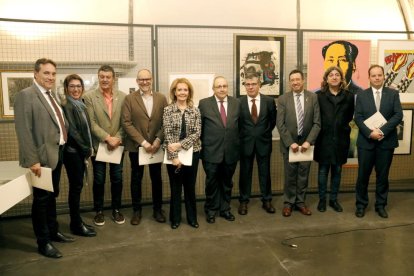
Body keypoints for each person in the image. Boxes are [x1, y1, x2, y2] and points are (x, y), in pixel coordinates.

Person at [14, 58, 74, 258]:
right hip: (40, 158)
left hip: (57, 154)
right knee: (41, 200)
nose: (51, 77)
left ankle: (53, 231)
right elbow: (24, 130)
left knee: (51, 197)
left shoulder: (51, 95)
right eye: (46, 73)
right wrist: (33, 160)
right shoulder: (26, 95)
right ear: (36, 74)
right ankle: (43, 242)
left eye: (53, 74)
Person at [354, 65, 403, 219]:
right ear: (369, 78)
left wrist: (382, 131)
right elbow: (358, 117)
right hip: (366, 143)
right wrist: (370, 133)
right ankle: (361, 205)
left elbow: (398, 115)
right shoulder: (361, 95)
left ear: (383, 76)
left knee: (383, 176)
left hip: (386, 143)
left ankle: (380, 205)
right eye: (373, 75)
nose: (376, 78)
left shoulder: (393, 94)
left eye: (379, 75)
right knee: (363, 176)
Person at [121, 69, 167, 225]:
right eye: (141, 79)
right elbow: (126, 123)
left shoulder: (161, 98)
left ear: (152, 79)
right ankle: (137, 211)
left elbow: (165, 122)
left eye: (147, 79)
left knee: (156, 179)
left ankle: (157, 210)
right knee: (136, 179)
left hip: (156, 146)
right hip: (137, 147)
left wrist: (158, 140)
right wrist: (144, 142)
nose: (144, 82)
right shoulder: (129, 99)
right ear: (137, 81)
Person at [83, 65, 126, 226]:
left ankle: (116, 210)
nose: (105, 79)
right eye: (102, 76)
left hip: (118, 145)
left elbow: (126, 122)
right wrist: (108, 138)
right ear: (98, 77)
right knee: (99, 180)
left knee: (117, 178)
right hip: (99, 145)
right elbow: (91, 123)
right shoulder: (89, 97)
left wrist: (118, 138)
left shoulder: (123, 97)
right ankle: (99, 211)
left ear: (113, 79)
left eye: (108, 77)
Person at [276, 69, 321, 217]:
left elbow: (317, 123)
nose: (295, 82)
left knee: (303, 174)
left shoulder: (313, 97)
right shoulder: (283, 99)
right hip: (290, 145)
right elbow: (280, 124)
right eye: (292, 80)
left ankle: (300, 202)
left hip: (306, 145)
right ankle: (288, 203)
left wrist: (309, 141)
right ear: (290, 82)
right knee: (289, 175)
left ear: (303, 80)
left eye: (297, 79)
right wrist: (290, 143)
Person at [199, 76, 240, 224]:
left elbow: (240, 127)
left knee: (227, 182)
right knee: (212, 183)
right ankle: (211, 210)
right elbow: (200, 129)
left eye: (224, 86)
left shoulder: (236, 103)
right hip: (211, 152)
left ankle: (225, 209)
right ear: (213, 89)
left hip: (231, 152)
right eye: (218, 86)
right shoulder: (204, 104)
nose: (222, 89)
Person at [314, 67, 355, 213]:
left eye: (337, 75)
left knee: (337, 171)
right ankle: (322, 200)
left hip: (341, 139)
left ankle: (333, 200)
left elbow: (350, 116)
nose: (334, 77)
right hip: (323, 139)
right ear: (326, 78)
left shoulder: (349, 96)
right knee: (323, 171)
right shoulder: (319, 96)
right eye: (331, 75)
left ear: (341, 78)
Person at [163, 78, 201, 229]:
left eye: (185, 90)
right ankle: (175, 218)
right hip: (173, 156)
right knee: (176, 187)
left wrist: (180, 144)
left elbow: (197, 133)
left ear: (189, 92)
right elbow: (167, 133)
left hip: (193, 153)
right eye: (179, 90)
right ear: (174, 92)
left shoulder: (195, 110)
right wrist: (174, 157)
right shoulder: (168, 110)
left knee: (190, 187)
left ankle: (192, 218)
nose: (182, 92)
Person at [61, 74, 97, 237]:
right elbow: (73, 132)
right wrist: (86, 150)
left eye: (78, 86)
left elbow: (86, 129)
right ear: (66, 89)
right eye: (72, 86)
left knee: (77, 188)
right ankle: (76, 225)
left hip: (79, 152)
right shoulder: (67, 105)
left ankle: (77, 221)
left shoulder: (80, 104)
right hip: (73, 153)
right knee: (75, 189)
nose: (76, 89)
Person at [238, 72, 277, 215]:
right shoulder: (239, 102)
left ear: (259, 85)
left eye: (253, 84)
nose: (250, 87)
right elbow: (237, 124)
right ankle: (243, 201)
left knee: (265, 173)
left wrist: (263, 133)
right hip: (245, 144)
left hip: (264, 143)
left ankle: (267, 200)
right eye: (247, 84)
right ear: (245, 86)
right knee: (245, 173)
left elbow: (272, 122)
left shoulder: (269, 101)